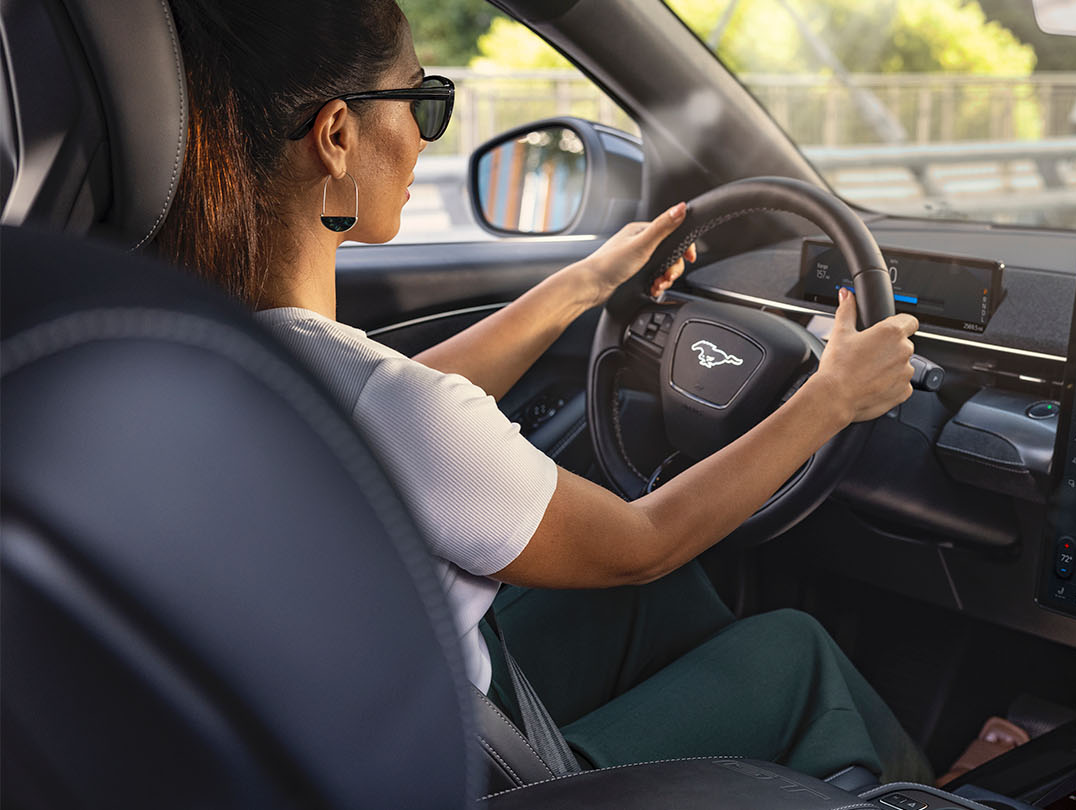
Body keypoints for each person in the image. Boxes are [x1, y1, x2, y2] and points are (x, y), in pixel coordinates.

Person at [153, 0, 932, 785]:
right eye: (424, 102)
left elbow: (407, 408)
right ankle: (926, 789)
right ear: (337, 136)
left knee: (663, 601)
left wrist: (586, 284)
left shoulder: (199, 344)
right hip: (480, 776)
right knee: (792, 649)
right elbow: (640, 546)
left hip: (362, 737)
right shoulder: (386, 403)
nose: (429, 136)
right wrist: (832, 396)